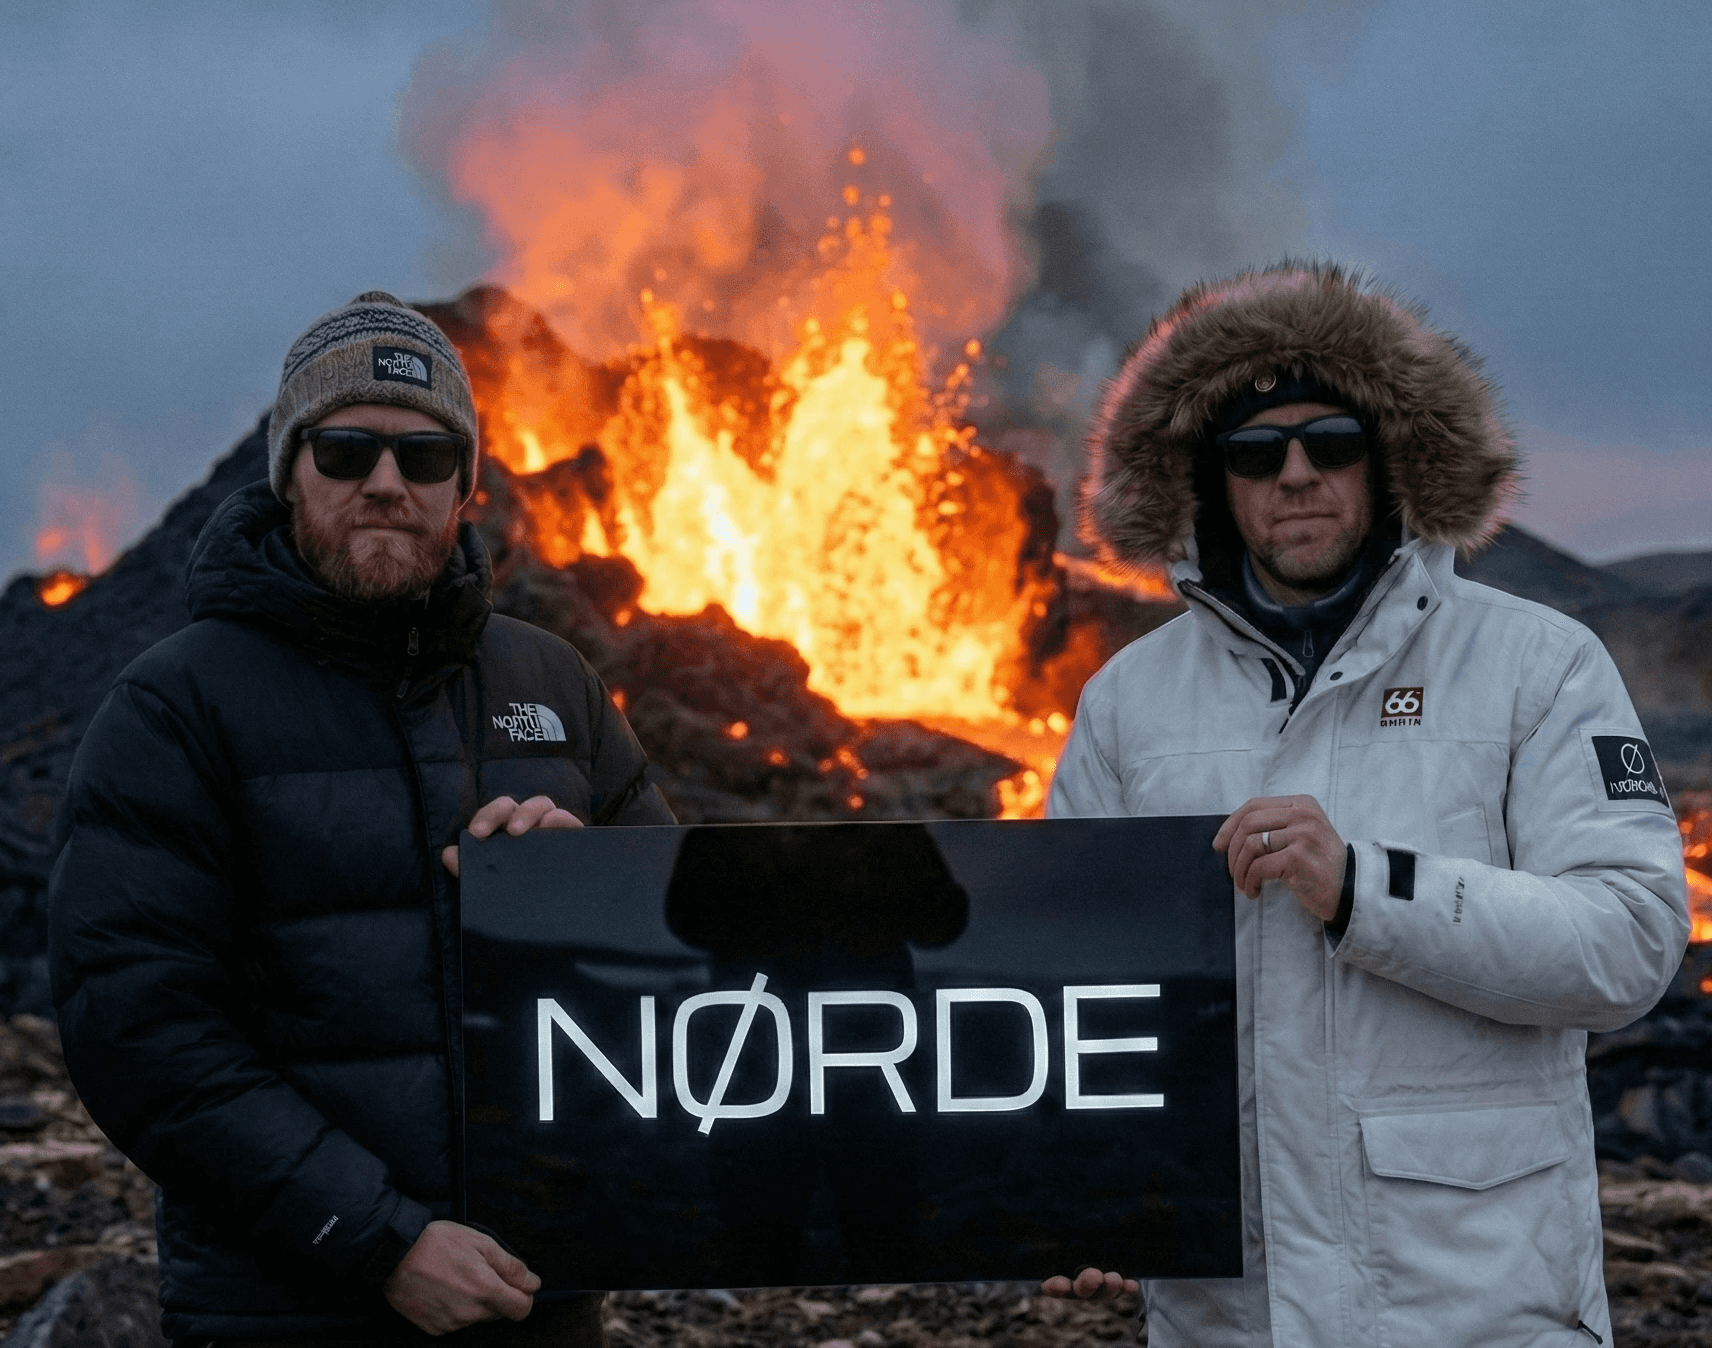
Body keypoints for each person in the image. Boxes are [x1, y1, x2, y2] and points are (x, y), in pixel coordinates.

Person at [1041, 262, 1688, 1346]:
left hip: (1479, 1312)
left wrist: (1366, 889)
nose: (1295, 475)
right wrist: (1086, 1182)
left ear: (1388, 457)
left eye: (1330, 443)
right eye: (1255, 453)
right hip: (1226, 1321)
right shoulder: (1126, 704)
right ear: (1209, 479)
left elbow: (1629, 941)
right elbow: (1068, 990)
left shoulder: (1536, 664)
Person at [48, 291, 674, 1344]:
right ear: (288, 472)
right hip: (284, 1310)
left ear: (465, 486)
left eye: (425, 456)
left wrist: (594, 891)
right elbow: (140, 1030)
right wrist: (378, 1241)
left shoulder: (554, 683)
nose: (386, 482)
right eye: (345, 451)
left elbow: (697, 957)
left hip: (537, 1297)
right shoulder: (175, 709)